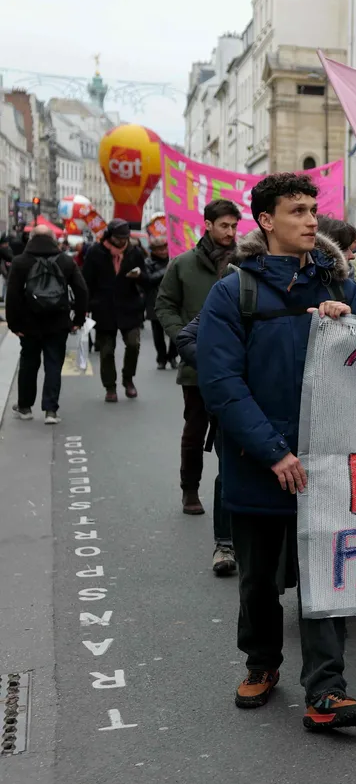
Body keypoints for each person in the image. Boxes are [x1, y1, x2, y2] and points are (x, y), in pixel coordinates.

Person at [197, 172, 356, 731]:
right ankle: (261, 662)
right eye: (296, 211)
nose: (310, 221)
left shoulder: (337, 285)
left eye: (313, 210)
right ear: (266, 221)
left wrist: (353, 329)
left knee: (324, 575)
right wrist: (274, 452)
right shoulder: (233, 292)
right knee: (257, 580)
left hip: (326, 461)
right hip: (259, 464)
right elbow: (222, 383)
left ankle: (327, 690)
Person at [155, 199, 242, 574]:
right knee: (194, 431)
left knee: (230, 437)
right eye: (224, 226)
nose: (230, 233)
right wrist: (181, 340)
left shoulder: (243, 264)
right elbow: (164, 306)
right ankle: (189, 488)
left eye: (234, 227)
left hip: (231, 369)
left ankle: (228, 504)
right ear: (207, 225)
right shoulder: (183, 265)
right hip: (195, 368)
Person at [6, 224, 88, 424]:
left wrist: (13, 324)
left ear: (30, 238)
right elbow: (81, 291)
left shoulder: (20, 262)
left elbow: (13, 296)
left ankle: (25, 407)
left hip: (29, 323)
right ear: (53, 239)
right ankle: (51, 410)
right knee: (53, 364)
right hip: (57, 322)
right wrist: (77, 320)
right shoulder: (66, 261)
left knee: (29, 364)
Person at [82, 219, 148, 402]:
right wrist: (86, 306)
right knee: (107, 350)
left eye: (125, 238)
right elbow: (86, 281)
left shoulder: (134, 252)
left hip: (129, 306)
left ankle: (128, 379)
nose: (122, 242)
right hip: (104, 308)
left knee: (133, 344)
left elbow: (146, 279)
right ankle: (110, 387)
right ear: (110, 236)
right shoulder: (96, 252)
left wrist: (139, 276)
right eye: (119, 238)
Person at [142, 234, 177, 370]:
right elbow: (149, 279)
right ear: (153, 251)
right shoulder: (148, 263)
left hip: (173, 301)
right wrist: (166, 269)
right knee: (158, 335)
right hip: (155, 302)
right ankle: (161, 358)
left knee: (175, 332)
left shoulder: (174, 260)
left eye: (164, 248)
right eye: (159, 249)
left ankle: (173, 356)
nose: (163, 251)